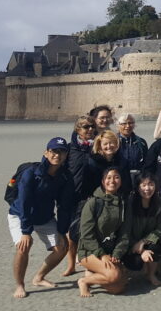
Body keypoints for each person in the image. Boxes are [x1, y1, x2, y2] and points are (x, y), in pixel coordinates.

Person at [8, 137, 73, 298]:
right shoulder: (31, 173)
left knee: (62, 247)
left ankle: (39, 277)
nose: (57, 155)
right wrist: (25, 231)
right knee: (24, 246)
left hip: (44, 217)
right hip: (20, 215)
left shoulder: (65, 176)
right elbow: (24, 202)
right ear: (46, 152)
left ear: (66, 155)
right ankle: (20, 285)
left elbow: (64, 206)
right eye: (54, 151)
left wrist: (61, 230)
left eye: (62, 152)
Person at [76, 166, 129, 297]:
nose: (112, 181)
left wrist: (117, 253)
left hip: (109, 250)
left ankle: (93, 273)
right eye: (108, 177)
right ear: (103, 181)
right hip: (89, 251)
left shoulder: (122, 203)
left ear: (121, 181)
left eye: (116, 177)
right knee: (114, 275)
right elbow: (86, 235)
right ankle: (84, 281)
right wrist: (101, 254)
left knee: (118, 288)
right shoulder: (94, 202)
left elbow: (124, 233)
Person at [63, 115, 96, 276]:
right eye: (85, 127)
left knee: (88, 231)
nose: (90, 129)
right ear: (78, 129)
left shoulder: (97, 147)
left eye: (91, 126)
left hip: (91, 196)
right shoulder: (70, 149)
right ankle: (71, 265)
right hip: (72, 195)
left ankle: (87, 263)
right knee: (72, 233)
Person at [124, 172, 161, 285]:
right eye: (143, 185)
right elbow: (125, 229)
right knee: (135, 263)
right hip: (130, 241)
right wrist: (137, 246)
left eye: (151, 184)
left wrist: (143, 242)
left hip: (147, 240)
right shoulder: (130, 202)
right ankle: (124, 272)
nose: (147, 188)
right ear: (138, 187)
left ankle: (151, 274)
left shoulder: (159, 203)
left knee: (156, 247)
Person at [83, 131, 131, 201]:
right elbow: (87, 187)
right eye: (105, 144)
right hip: (97, 199)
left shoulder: (122, 161)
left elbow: (127, 184)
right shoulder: (91, 162)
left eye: (112, 143)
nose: (109, 146)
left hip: (118, 198)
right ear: (100, 145)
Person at [116, 112, 148, 184]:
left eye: (130, 123)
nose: (127, 126)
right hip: (119, 180)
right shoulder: (113, 142)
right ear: (118, 125)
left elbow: (146, 162)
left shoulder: (141, 142)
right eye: (124, 123)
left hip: (138, 180)